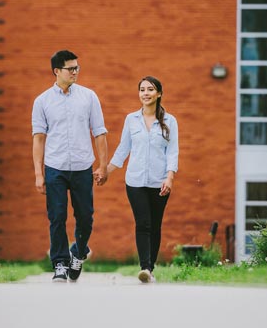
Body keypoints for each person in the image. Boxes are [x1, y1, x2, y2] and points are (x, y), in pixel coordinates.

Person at [32, 50, 108, 282]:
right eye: (70, 68)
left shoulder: (88, 97)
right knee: (57, 216)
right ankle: (60, 264)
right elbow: (39, 138)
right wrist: (39, 173)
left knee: (86, 216)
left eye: (77, 68)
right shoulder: (42, 101)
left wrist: (103, 165)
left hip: (83, 166)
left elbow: (99, 133)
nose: (75, 72)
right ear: (57, 71)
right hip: (54, 167)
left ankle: (78, 252)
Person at [99, 76, 178, 283]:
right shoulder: (131, 119)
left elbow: (173, 152)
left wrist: (169, 178)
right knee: (143, 223)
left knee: (155, 225)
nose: (145, 93)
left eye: (150, 89)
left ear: (158, 93)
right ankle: (145, 268)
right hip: (135, 181)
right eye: (142, 90)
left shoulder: (170, 121)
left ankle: (150, 268)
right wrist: (106, 170)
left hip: (159, 181)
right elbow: (123, 149)